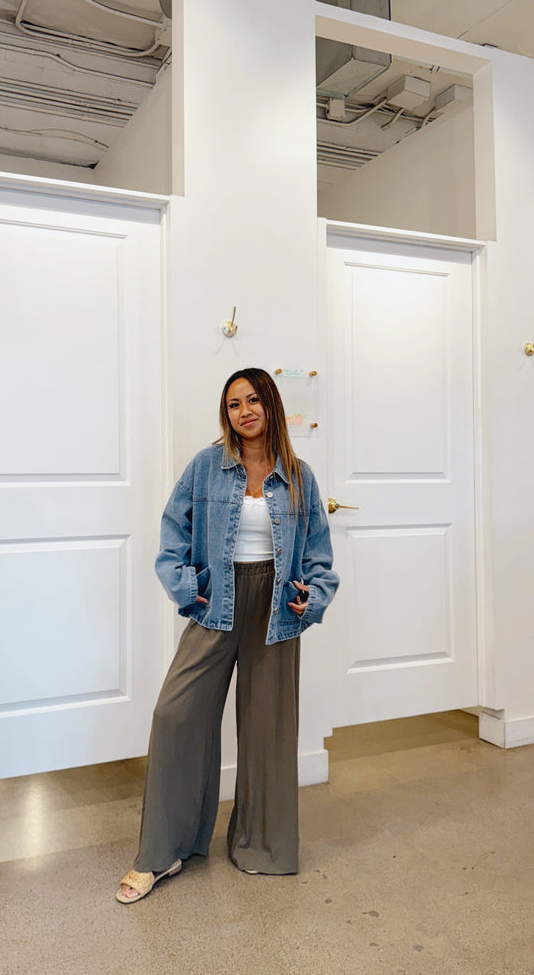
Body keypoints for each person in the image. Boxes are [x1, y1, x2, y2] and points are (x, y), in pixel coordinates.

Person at [116, 367, 339, 903]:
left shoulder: (300, 475)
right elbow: (172, 534)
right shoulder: (206, 467)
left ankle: (260, 846)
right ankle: (163, 852)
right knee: (176, 717)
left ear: (271, 405)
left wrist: (314, 596)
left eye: (254, 400)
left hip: (276, 610)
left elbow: (319, 557)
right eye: (234, 403)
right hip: (215, 601)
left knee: (268, 731)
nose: (244, 411)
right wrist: (184, 585)